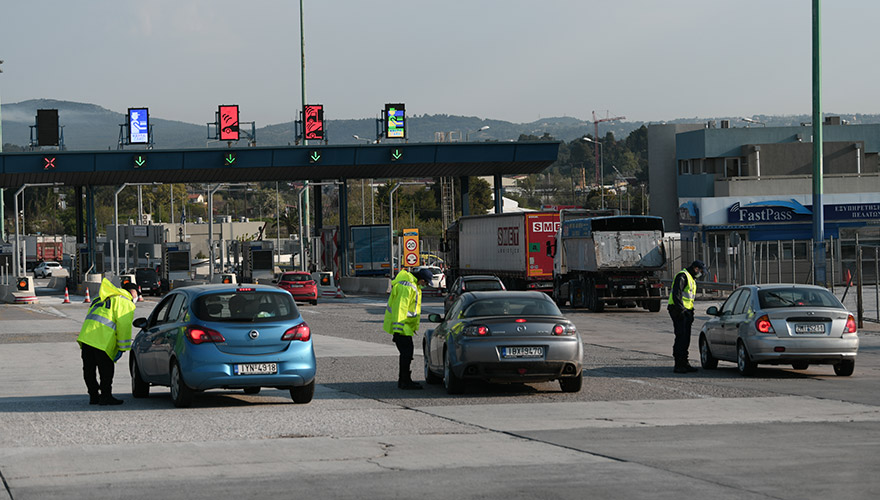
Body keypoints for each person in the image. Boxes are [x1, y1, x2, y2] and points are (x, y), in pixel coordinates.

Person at [76, 279, 139, 405]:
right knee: (106, 370)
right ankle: (106, 396)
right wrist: (122, 348)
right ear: (133, 293)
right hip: (102, 340)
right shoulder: (125, 302)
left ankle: (93, 396)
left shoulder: (100, 298)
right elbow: (124, 326)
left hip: (86, 337)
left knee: (89, 369)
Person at [383, 267, 434, 390]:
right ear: (421, 279)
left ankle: (404, 380)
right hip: (402, 328)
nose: (425, 286)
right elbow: (400, 309)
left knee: (407, 354)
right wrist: (397, 331)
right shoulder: (407, 287)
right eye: (425, 283)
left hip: (405, 328)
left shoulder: (411, 285)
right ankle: (404, 381)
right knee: (406, 354)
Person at [668, 260, 707, 374]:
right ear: (695, 268)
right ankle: (678, 364)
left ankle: (684, 362)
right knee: (681, 337)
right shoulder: (682, 276)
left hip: (686, 311)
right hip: (678, 310)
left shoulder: (691, 278)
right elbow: (677, 295)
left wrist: (690, 311)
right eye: (700, 271)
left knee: (686, 338)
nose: (700, 273)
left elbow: (688, 299)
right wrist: (682, 311)